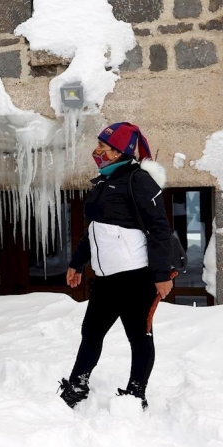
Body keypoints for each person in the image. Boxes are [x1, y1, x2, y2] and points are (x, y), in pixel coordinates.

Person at [59, 122, 173, 409]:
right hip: (106, 278)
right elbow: (95, 231)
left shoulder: (138, 180)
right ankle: (78, 382)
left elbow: (159, 228)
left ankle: (137, 391)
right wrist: (77, 263)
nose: (97, 151)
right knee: (92, 331)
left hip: (137, 276)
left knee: (138, 336)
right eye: (99, 145)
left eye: (104, 147)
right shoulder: (102, 182)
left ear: (119, 152)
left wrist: (161, 274)